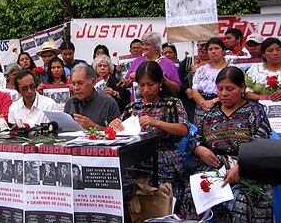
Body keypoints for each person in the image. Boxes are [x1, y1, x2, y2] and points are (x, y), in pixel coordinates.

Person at [182, 66, 272, 222]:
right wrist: (199, 149)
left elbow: (261, 142)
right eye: (220, 89)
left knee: (241, 203)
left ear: (242, 87)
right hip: (214, 168)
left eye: (230, 89)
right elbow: (195, 139)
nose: (224, 94)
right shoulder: (211, 113)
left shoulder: (255, 111)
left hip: (246, 168)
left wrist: (242, 166)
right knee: (193, 195)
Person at [110, 61, 188, 207]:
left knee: (159, 196)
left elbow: (184, 130)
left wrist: (157, 123)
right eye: (141, 85)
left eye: (150, 85)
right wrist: (113, 125)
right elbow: (119, 131)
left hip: (163, 156)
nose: (145, 89)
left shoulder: (171, 104)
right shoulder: (133, 106)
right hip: (134, 158)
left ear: (160, 83)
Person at [64, 63, 120, 129]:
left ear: (93, 82)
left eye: (80, 83)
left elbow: (118, 133)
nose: (76, 88)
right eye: (73, 84)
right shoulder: (70, 103)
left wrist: (93, 126)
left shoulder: (108, 103)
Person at [192, 37, 229, 126]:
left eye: (216, 48)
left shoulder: (231, 69)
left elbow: (234, 91)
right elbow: (194, 89)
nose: (213, 51)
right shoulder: (201, 70)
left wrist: (213, 101)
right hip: (202, 107)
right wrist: (203, 103)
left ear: (223, 51)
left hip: (223, 104)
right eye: (210, 49)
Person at [178, 41, 209, 122]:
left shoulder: (215, 62)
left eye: (207, 45)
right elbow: (178, 78)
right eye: (202, 45)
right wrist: (187, 89)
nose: (204, 48)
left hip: (208, 100)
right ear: (197, 46)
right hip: (190, 102)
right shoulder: (189, 60)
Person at [245, 37, 281, 101]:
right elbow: (247, 94)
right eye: (270, 50)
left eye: (278, 49)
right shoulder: (255, 70)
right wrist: (267, 98)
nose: (275, 53)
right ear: (263, 54)